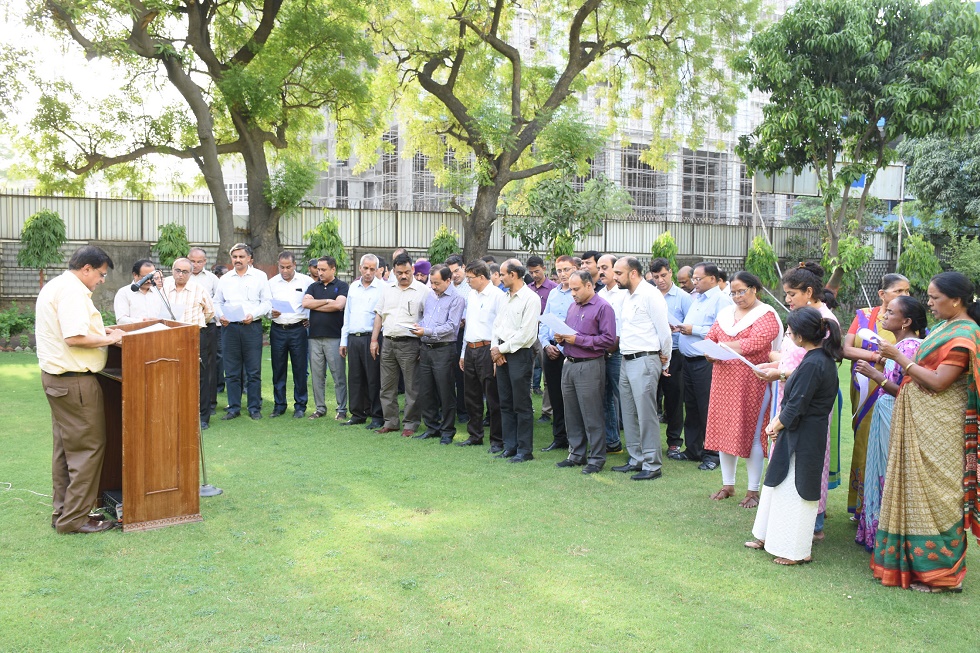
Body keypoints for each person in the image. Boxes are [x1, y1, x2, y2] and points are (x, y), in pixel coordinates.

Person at [871, 272, 980, 593]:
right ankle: (916, 569)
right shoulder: (946, 328)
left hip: (942, 431)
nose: (929, 303)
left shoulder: (965, 335)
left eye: (934, 298)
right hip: (920, 423)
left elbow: (939, 382)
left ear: (956, 300)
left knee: (940, 496)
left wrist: (899, 358)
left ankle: (943, 576)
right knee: (914, 492)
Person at [745, 307, 843, 565]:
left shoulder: (815, 362)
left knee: (797, 489)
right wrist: (779, 424)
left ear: (799, 337)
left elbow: (798, 402)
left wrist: (776, 425)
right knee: (779, 482)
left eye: (789, 333)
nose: (787, 337)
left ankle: (797, 550)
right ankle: (768, 535)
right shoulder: (817, 358)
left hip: (806, 433)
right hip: (798, 429)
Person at [36, 245, 124, 534]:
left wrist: (102, 333)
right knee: (87, 448)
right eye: (100, 274)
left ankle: (63, 512)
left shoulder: (57, 285)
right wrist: (110, 340)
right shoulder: (72, 291)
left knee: (65, 450)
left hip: (57, 379)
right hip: (74, 381)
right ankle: (75, 519)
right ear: (86, 268)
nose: (101, 280)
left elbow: (74, 332)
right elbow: (74, 337)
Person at [756, 262, 839, 539]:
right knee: (784, 462)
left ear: (809, 291)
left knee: (807, 463)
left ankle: (810, 525)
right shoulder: (801, 320)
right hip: (789, 394)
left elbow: (812, 371)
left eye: (792, 294)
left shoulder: (822, 323)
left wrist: (780, 372)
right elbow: (793, 358)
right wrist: (776, 365)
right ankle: (779, 521)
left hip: (806, 405)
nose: (787, 299)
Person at [852, 296, 926, 552]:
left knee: (886, 470)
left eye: (891, 312)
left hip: (893, 411)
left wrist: (876, 376)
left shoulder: (907, 348)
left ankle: (886, 534)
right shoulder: (900, 345)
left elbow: (905, 390)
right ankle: (878, 530)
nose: (884, 315)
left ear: (905, 321)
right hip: (886, 409)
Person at [703, 272, 782, 508]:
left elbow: (757, 342)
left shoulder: (766, 314)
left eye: (741, 291)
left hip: (752, 383)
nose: (737, 297)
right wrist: (710, 350)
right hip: (723, 380)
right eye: (733, 292)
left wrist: (723, 346)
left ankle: (753, 490)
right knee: (724, 433)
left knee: (753, 434)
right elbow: (711, 336)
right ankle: (728, 484)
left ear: (754, 289)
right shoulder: (726, 313)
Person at [843, 273, 911, 524]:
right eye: (899, 291)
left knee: (885, 443)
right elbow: (846, 348)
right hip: (863, 384)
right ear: (882, 294)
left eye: (907, 291)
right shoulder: (863, 315)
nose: (905, 295)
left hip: (890, 386)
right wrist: (877, 357)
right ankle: (860, 505)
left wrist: (886, 360)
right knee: (862, 440)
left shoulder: (906, 321)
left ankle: (882, 507)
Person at [612, 256, 672, 480]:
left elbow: (664, 332)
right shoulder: (625, 296)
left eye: (619, 273)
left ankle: (652, 464)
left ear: (633, 273)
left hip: (646, 360)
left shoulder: (650, 294)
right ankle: (636, 458)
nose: (615, 277)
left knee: (646, 414)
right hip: (626, 359)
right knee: (628, 412)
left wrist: (665, 361)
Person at [554, 271, 616, 473]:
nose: (572, 293)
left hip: (590, 364)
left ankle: (597, 458)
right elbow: (570, 333)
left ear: (589, 286)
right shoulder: (573, 306)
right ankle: (576, 454)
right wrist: (561, 337)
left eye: (576, 289)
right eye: (571, 289)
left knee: (592, 413)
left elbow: (608, 340)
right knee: (571, 412)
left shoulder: (603, 307)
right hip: (569, 362)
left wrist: (577, 340)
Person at [676, 262, 734, 469]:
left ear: (712, 279)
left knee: (706, 408)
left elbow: (724, 330)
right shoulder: (698, 298)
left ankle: (712, 455)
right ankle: (693, 450)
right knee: (690, 407)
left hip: (706, 362)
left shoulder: (721, 301)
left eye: (698, 279)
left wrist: (695, 329)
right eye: (694, 279)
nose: (695, 282)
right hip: (689, 361)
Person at [372, 253, 430, 436]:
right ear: (393, 272)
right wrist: (374, 340)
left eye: (406, 272)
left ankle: (411, 424)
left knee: (412, 386)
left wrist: (423, 345)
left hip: (410, 343)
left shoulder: (423, 291)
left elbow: (428, 320)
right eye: (399, 273)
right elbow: (379, 315)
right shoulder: (387, 290)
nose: (403, 276)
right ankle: (390, 421)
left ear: (412, 269)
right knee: (387, 385)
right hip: (388, 341)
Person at [214, 243, 271, 420]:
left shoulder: (260, 277)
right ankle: (234, 408)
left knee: (253, 370)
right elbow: (217, 302)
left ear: (249, 259)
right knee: (231, 371)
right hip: (229, 328)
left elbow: (267, 302)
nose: (237, 260)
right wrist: (220, 316)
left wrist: (253, 314)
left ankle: (254, 408)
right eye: (235, 257)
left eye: (241, 257)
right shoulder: (225, 278)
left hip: (251, 326)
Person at [491, 258, 541, 462]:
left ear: (513, 275)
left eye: (502, 274)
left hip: (519, 354)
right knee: (505, 402)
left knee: (521, 403)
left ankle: (524, 450)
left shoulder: (531, 298)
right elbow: (497, 325)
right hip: (502, 353)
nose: (500, 277)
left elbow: (527, 334)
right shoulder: (504, 297)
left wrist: (500, 349)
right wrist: (496, 348)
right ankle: (509, 446)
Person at [411, 265, 465, 444]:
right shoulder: (430, 295)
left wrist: (426, 331)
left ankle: (448, 431)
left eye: (437, 283)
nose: (433, 286)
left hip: (444, 348)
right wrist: (420, 328)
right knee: (427, 390)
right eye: (431, 282)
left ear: (448, 280)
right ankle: (431, 427)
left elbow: (451, 326)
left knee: (445, 390)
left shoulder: (457, 298)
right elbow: (426, 318)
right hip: (426, 347)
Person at [162, 257, 216, 430]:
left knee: (199, 376)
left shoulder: (198, 289)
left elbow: (209, 313)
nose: (180, 275)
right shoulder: (163, 288)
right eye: (177, 270)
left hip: (194, 335)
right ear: (172, 270)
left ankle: (203, 416)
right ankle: (177, 412)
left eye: (185, 271)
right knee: (172, 374)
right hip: (169, 336)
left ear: (191, 273)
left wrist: (195, 326)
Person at [458, 260, 506, 451]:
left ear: (481, 277)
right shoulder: (472, 294)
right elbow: (469, 324)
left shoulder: (497, 296)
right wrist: (463, 352)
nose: (467, 281)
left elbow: (501, 327)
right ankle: (475, 434)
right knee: (471, 396)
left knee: (493, 397)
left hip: (488, 349)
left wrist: (497, 353)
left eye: (469, 278)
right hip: (470, 348)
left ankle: (497, 439)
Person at [650, 258, 692, 460]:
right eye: (656, 277)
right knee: (650, 399)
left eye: (663, 275)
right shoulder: (649, 295)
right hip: (651, 352)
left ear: (671, 272)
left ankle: (674, 442)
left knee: (674, 399)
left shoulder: (683, 297)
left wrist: (678, 328)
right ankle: (650, 443)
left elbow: (692, 325)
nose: (660, 280)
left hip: (674, 353)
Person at [340, 254, 385, 429]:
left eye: (372, 269)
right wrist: (344, 341)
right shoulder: (353, 287)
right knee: (355, 377)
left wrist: (376, 339)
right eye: (365, 268)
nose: (368, 272)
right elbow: (347, 314)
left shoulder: (382, 288)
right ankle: (357, 414)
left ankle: (376, 415)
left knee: (374, 378)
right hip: (353, 337)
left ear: (377, 270)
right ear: (360, 268)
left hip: (372, 338)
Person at [303, 256, 349, 420]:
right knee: (317, 376)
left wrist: (317, 304)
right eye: (318, 269)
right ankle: (320, 408)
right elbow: (306, 304)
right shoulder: (313, 286)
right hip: (314, 338)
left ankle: (341, 409)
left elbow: (339, 305)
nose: (319, 272)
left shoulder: (342, 286)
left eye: (323, 269)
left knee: (338, 375)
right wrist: (327, 301)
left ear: (333, 269)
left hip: (334, 337)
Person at [268, 252, 313, 419]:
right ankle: (279, 405)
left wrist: (309, 318)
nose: (285, 270)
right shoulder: (271, 283)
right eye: (282, 267)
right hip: (278, 328)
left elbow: (312, 302)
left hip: (298, 329)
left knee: (300, 368)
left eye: (288, 267)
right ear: (278, 265)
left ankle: (300, 405)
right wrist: (269, 312)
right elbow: (265, 303)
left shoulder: (305, 281)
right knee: (278, 369)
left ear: (295, 265)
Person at [537, 255, 574, 452]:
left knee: (569, 397)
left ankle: (572, 437)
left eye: (566, 269)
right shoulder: (553, 293)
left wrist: (560, 348)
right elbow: (545, 321)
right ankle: (558, 437)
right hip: (550, 349)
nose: (563, 274)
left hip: (568, 350)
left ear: (574, 269)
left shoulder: (577, 293)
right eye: (559, 271)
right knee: (554, 395)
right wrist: (545, 344)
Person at [597, 254, 626, 454]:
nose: (600, 271)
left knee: (625, 397)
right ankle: (612, 441)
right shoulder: (600, 294)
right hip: (602, 352)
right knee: (605, 398)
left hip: (619, 353)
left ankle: (641, 447)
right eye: (599, 267)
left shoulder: (624, 294)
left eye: (605, 267)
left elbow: (624, 326)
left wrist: (613, 345)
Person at [188, 248, 220, 415]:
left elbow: (216, 302)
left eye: (199, 261)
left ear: (205, 262)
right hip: (186, 327)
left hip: (207, 326)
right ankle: (191, 401)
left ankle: (211, 403)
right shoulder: (181, 277)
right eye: (192, 261)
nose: (195, 264)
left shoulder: (212, 279)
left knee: (208, 364)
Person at [526, 255, 556, 407]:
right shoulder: (528, 289)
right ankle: (527, 407)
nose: (534, 275)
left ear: (544, 268)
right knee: (527, 373)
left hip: (544, 335)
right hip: (528, 334)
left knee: (547, 375)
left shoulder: (553, 289)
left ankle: (547, 410)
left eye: (537, 271)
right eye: (531, 272)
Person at [445, 254, 470, 425]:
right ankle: (448, 408)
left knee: (462, 375)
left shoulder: (471, 287)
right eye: (451, 272)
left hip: (464, 333)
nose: (455, 275)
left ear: (464, 267)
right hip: (448, 334)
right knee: (447, 373)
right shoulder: (448, 287)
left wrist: (464, 319)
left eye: (457, 270)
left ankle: (463, 410)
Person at [113, 259, 164, 324]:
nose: (149, 281)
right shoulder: (124, 293)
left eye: (151, 277)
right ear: (135, 275)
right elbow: (121, 320)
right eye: (145, 277)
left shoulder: (158, 292)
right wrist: (142, 321)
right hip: (134, 332)